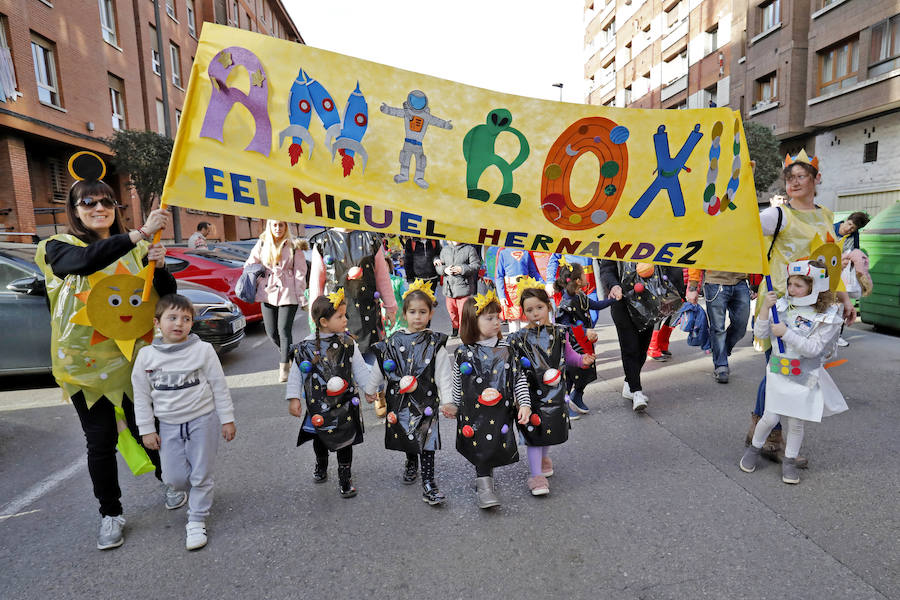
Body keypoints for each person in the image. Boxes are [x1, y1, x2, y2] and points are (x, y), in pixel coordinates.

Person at [35, 155, 178, 551]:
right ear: (75, 211)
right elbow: (82, 262)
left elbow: (164, 295)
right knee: (99, 441)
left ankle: (170, 483)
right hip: (84, 368)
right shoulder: (56, 247)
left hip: (134, 361)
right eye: (89, 203)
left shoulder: (136, 249)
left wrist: (160, 266)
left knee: (148, 429)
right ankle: (110, 513)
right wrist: (137, 235)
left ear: (114, 208)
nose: (99, 209)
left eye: (105, 202)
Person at [751, 151, 856, 464]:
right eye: (790, 177)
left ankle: (769, 427)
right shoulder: (777, 215)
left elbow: (830, 264)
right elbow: (742, 227)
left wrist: (845, 300)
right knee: (780, 366)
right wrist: (744, 186)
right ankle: (767, 431)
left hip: (813, 307)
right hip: (781, 303)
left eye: (801, 176)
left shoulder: (825, 215)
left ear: (816, 180)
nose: (794, 182)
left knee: (795, 367)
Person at [132, 294, 236, 550]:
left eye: (186, 319)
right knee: (174, 478)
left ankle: (197, 520)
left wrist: (227, 419)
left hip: (203, 420)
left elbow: (219, 386)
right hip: (168, 425)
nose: (179, 323)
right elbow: (141, 396)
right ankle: (199, 489)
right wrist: (146, 430)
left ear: (192, 323)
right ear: (157, 322)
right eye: (172, 317)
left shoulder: (203, 350)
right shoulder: (146, 357)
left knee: (201, 474)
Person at [740, 260, 847, 484]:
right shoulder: (779, 306)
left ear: (815, 286)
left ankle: (789, 462)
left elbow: (814, 349)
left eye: (798, 285)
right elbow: (760, 333)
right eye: (790, 284)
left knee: (797, 422)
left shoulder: (827, 316)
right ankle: (753, 451)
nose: (791, 289)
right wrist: (765, 309)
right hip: (779, 370)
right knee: (770, 417)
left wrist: (786, 333)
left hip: (805, 374)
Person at [365, 280, 451, 506]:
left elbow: (443, 372)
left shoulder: (435, 342)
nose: (418, 317)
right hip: (401, 401)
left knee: (428, 439)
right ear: (404, 314)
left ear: (431, 313)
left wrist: (449, 400)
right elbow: (381, 367)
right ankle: (411, 461)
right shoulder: (394, 341)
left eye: (423, 312)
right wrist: (370, 389)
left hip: (427, 402)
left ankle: (429, 483)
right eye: (412, 312)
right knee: (407, 434)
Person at [442, 290, 528, 509]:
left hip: (501, 411)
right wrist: (453, 404)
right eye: (489, 318)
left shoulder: (507, 350)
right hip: (474, 413)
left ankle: (485, 479)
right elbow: (458, 381)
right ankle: (485, 486)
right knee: (480, 446)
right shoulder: (464, 353)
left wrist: (524, 402)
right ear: (472, 321)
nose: (497, 322)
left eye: (498, 317)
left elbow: (518, 378)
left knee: (494, 444)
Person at [508, 280, 594, 496]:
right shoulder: (518, 338)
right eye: (529, 310)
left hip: (555, 393)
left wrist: (582, 360)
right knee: (534, 432)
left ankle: (544, 457)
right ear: (523, 313)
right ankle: (535, 475)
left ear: (548, 306)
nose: (535, 313)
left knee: (550, 429)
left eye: (539, 307)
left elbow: (570, 356)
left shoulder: (559, 332)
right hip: (530, 393)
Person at [287, 291, 370, 498]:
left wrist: (370, 389)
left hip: (345, 404)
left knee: (345, 440)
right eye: (340, 316)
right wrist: (294, 398)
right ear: (323, 321)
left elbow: (359, 368)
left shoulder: (348, 343)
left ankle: (345, 477)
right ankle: (321, 464)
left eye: (345, 315)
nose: (345, 319)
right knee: (320, 439)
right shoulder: (305, 347)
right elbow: (297, 373)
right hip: (319, 405)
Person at [308, 228, 397, 417]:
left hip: (366, 309)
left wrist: (390, 306)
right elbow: (316, 280)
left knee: (372, 355)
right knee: (337, 358)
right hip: (335, 312)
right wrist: (315, 315)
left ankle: (378, 391)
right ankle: (341, 400)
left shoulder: (371, 239)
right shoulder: (322, 242)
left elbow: (382, 276)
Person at [598, 261, 684, 412]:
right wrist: (613, 285)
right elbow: (607, 268)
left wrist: (677, 291)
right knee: (629, 347)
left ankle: (629, 383)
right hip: (622, 301)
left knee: (642, 348)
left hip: (649, 300)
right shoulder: (616, 241)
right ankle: (636, 391)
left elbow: (671, 264)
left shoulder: (654, 240)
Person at [245, 220, 308, 382]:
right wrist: (260, 281)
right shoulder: (262, 243)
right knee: (272, 333)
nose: (278, 228)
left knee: (284, 331)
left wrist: (302, 298)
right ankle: (294, 356)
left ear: (286, 226)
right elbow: (250, 264)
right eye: (274, 225)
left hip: (289, 292)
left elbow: (300, 273)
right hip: (267, 292)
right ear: (270, 226)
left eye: (281, 225)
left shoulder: (294, 245)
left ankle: (284, 367)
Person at [554, 262, 613, 416]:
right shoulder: (566, 302)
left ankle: (577, 396)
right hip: (573, 347)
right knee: (570, 377)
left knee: (586, 371)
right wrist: (585, 331)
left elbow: (597, 305)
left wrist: (614, 299)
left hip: (585, 344)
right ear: (578, 280)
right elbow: (564, 325)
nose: (586, 277)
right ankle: (564, 406)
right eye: (583, 274)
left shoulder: (581, 296)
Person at [685, 269, 754, 383]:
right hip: (715, 282)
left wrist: (754, 283)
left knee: (741, 325)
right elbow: (698, 256)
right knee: (718, 328)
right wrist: (692, 286)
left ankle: (720, 351)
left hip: (740, 281)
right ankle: (721, 364)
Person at [494, 247, 544, 332]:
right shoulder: (503, 252)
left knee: (526, 318)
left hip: (525, 290)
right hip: (511, 292)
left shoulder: (526, 252)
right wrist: (502, 296)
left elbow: (533, 272)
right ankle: (514, 343)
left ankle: (525, 342)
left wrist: (543, 285)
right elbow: (499, 276)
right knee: (513, 322)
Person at [437, 241, 481, 337]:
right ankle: (455, 328)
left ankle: (463, 333)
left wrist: (462, 269)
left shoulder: (470, 249)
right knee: (452, 312)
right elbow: (439, 267)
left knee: (463, 314)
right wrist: (444, 270)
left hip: (464, 289)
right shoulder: (445, 250)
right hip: (449, 289)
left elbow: (476, 265)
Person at [546, 254, 602, 324]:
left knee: (593, 317)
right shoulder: (563, 243)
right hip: (572, 288)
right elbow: (553, 260)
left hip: (589, 286)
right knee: (574, 320)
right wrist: (550, 281)